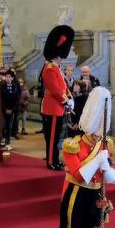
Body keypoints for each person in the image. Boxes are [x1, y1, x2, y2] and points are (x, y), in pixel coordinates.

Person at [60, 88, 115, 228]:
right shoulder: (73, 145)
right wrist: (98, 160)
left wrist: (107, 168)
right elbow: (78, 174)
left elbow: (108, 175)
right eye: (95, 127)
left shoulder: (104, 144)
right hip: (77, 195)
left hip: (96, 196)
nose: (97, 132)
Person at [40, 26, 73, 170]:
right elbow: (54, 89)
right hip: (52, 107)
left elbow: (63, 86)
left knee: (56, 135)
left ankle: (54, 159)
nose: (61, 58)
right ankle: (51, 162)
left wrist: (70, 97)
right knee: (52, 137)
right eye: (60, 56)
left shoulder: (56, 67)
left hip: (58, 107)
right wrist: (65, 100)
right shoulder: (49, 68)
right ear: (56, 55)